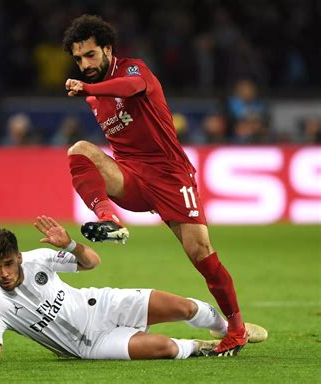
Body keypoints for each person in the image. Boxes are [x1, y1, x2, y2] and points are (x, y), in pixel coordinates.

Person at [62, 15, 247, 355]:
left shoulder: (133, 70)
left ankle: (236, 329)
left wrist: (88, 86)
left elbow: (131, 90)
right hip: (133, 179)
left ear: (106, 49)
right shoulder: (93, 99)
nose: (85, 64)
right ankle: (109, 218)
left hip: (170, 177)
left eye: (90, 55)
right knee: (81, 151)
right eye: (78, 59)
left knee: (201, 254)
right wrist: (90, 91)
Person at [0, 215, 266, 363]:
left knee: (185, 308)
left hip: (101, 304)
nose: (4, 273)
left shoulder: (39, 259)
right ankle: (201, 346)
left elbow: (92, 261)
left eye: (8, 264)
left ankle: (227, 329)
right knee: (167, 349)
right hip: (89, 345)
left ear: (19, 257)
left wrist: (69, 244)